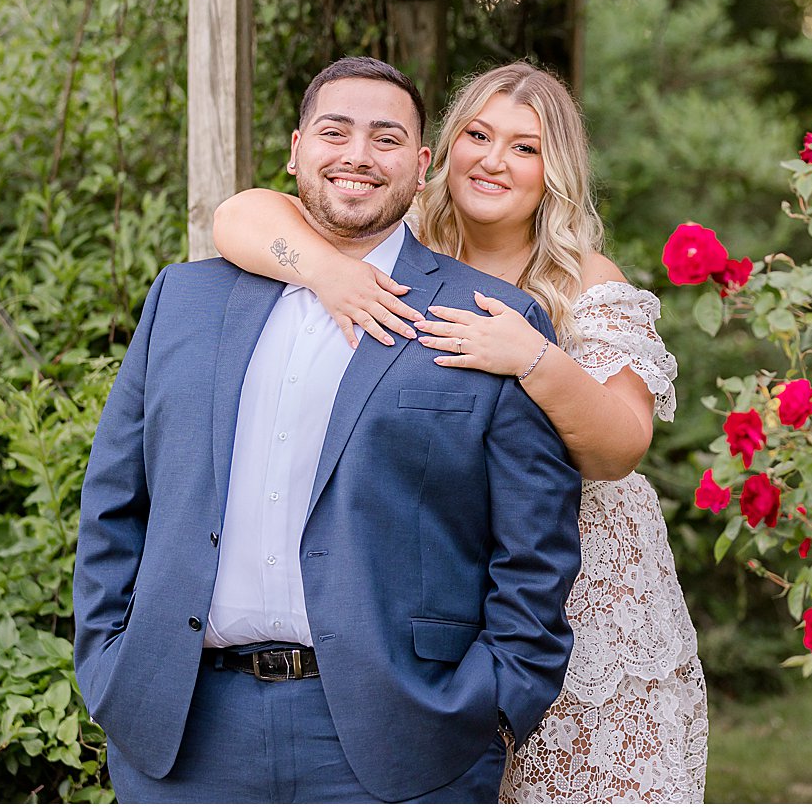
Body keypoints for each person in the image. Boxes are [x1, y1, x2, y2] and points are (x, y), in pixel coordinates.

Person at [73, 56, 583, 803]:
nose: (356, 155)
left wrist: (494, 706)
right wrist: (110, 664)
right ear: (296, 148)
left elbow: (535, 543)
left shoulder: (486, 315)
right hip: (182, 733)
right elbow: (115, 498)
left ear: (419, 165)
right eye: (334, 131)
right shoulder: (183, 300)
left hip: (400, 740)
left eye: (385, 139)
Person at [213, 60, 708, 803]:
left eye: (524, 147)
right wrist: (324, 271)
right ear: (440, 152)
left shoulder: (586, 281)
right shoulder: (395, 243)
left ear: (556, 171)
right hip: (440, 578)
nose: (493, 159)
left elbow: (619, 445)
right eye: (477, 135)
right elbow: (237, 216)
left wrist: (533, 357)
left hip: (584, 594)